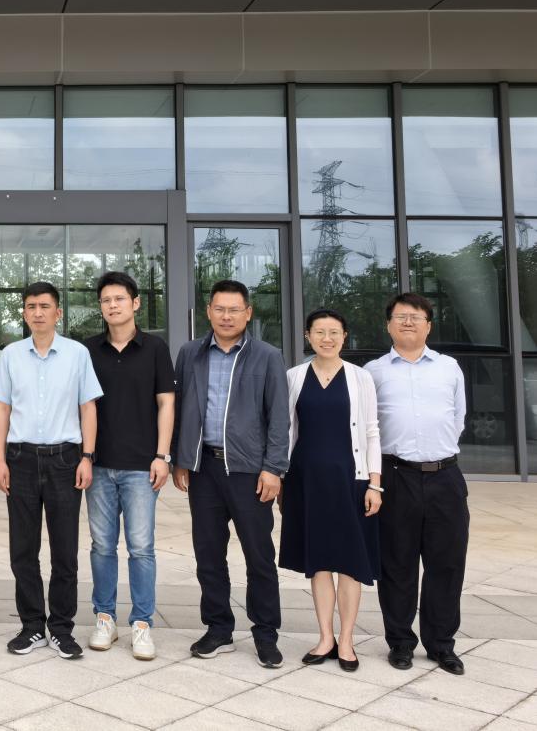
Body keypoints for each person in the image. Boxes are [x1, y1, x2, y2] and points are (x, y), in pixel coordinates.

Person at [172, 279, 290, 669]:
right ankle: (218, 628)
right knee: (208, 554)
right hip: (203, 468)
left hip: (249, 471)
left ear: (248, 313)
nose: (226, 316)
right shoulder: (190, 353)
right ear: (208, 312)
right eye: (220, 309)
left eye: (234, 309)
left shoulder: (267, 356)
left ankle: (266, 634)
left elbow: (279, 418)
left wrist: (273, 468)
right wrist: (180, 457)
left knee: (259, 555)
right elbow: (180, 407)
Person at [0, 281, 101, 660]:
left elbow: (88, 407)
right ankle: (32, 626)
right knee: (23, 549)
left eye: (45, 306)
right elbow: (2, 408)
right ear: (24, 313)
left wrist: (87, 456)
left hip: (65, 460)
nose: (38, 313)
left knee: (64, 550)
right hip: (20, 460)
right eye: (31, 307)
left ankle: (61, 628)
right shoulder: (11, 355)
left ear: (58, 313)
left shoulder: (77, 354)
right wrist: (0, 460)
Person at [364, 292, 469, 676]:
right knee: (397, 563)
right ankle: (400, 643)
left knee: (447, 563)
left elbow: (458, 418)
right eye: (400, 316)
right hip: (395, 476)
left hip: (445, 476)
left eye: (416, 316)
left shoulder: (449, 368)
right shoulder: (373, 372)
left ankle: (441, 645)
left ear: (429, 325)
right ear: (388, 324)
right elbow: (367, 427)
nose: (408, 322)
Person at [280, 309, 382, 672]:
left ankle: (348, 640)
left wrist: (375, 483)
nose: (327, 338)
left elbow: (372, 431)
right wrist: (282, 478)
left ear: (344, 336)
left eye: (334, 332)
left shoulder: (360, 377)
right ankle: (325, 637)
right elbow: (287, 431)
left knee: (350, 564)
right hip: (305, 480)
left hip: (351, 481)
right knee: (319, 563)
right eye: (319, 332)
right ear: (308, 336)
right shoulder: (294, 376)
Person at [83, 271, 175, 661]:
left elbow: (166, 403)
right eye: (106, 300)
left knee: (141, 548)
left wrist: (162, 455)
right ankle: (105, 617)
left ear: (135, 303)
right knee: (102, 547)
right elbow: (83, 406)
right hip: (99, 466)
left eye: (119, 298)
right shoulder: (88, 350)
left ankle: (141, 623)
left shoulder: (155, 348)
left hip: (141, 466)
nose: (112, 305)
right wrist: (85, 457)